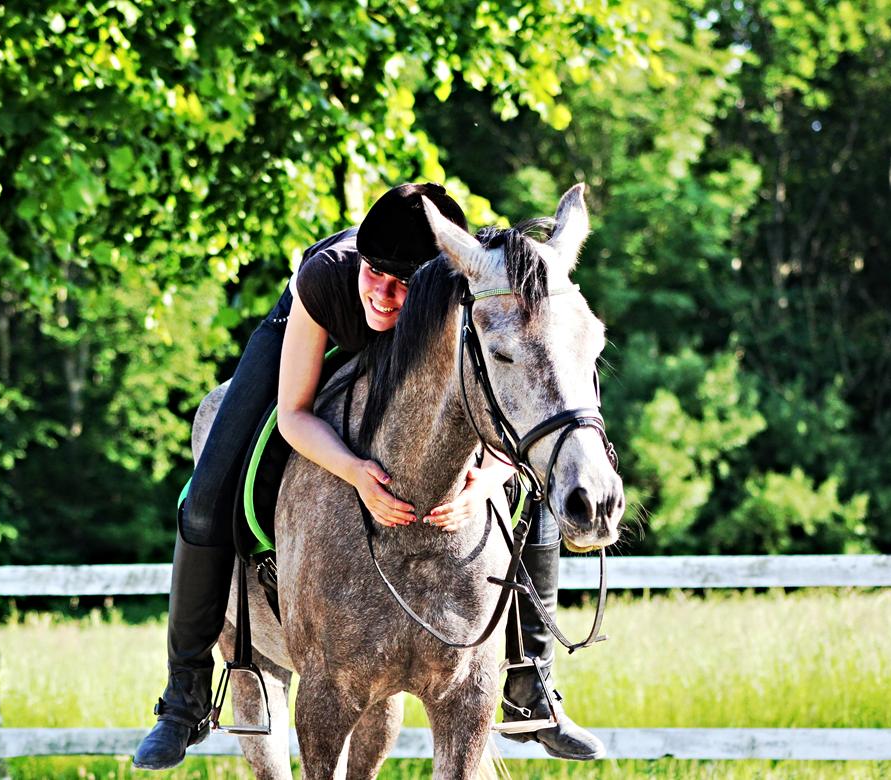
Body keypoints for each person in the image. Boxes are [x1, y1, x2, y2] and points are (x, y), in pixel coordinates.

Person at [133, 183, 601, 770]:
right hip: (306, 331)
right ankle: (185, 696)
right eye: (376, 273)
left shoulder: (462, 292)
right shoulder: (329, 277)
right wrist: (355, 472)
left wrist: (488, 476)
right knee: (202, 502)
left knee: (540, 484)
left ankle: (531, 684)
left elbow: (511, 399)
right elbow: (295, 414)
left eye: (402, 283)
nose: (383, 294)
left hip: (432, 344)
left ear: (435, 284)